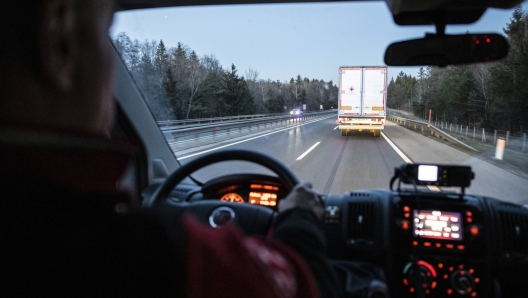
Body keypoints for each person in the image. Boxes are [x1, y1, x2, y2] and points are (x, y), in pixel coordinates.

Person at [0, 1, 339, 297]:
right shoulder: (151, 257)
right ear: (59, 40)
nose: (113, 65)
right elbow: (303, 284)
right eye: (106, 33)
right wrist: (300, 217)